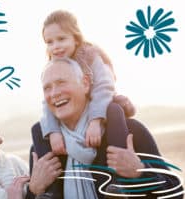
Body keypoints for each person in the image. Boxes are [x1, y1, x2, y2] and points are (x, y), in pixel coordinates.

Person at [30, 58, 183, 199]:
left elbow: (176, 193)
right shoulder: (42, 149)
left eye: (61, 82)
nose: (54, 93)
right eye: (47, 88)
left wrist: (141, 172)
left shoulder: (130, 132)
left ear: (85, 83)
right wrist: (33, 190)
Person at [39, 9, 135, 197]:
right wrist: (53, 132)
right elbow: (47, 102)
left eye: (61, 39)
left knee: (114, 110)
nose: (55, 47)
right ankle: (51, 190)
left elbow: (104, 87)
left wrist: (95, 120)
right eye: (49, 42)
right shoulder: (52, 66)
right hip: (73, 117)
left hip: (102, 104)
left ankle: (118, 179)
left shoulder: (90, 55)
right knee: (38, 128)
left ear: (76, 38)